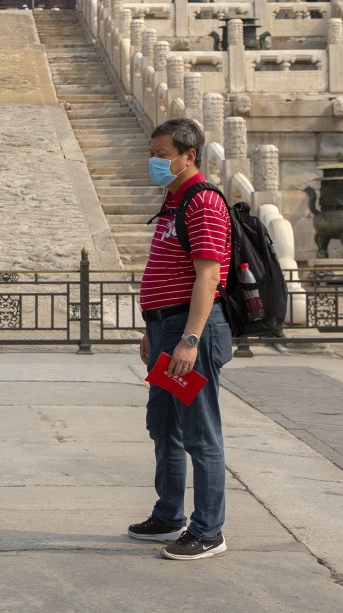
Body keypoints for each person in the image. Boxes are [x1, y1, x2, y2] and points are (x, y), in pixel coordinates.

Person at [128, 117, 232, 561]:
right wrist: (153, 330)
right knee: (164, 425)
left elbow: (208, 277)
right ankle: (168, 514)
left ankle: (208, 529)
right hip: (166, 330)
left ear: (189, 156)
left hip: (191, 332)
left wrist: (189, 339)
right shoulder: (173, 203)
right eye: (152, 153)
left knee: (199, 432)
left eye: (163, 154)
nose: (155, 161)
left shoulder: (202, 202)